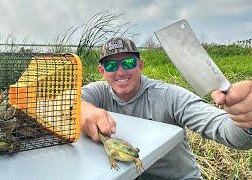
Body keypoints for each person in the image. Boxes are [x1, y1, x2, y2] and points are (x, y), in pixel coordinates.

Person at [80, 37, 252, 179]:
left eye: (128, 63)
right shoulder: (98, 93)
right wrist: (84, 109)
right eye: (111, 66)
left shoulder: (169, 96)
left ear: (140, 65)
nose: (120, 72)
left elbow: (228, 132)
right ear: (102, 71)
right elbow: (65, 100)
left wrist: (246, 120)